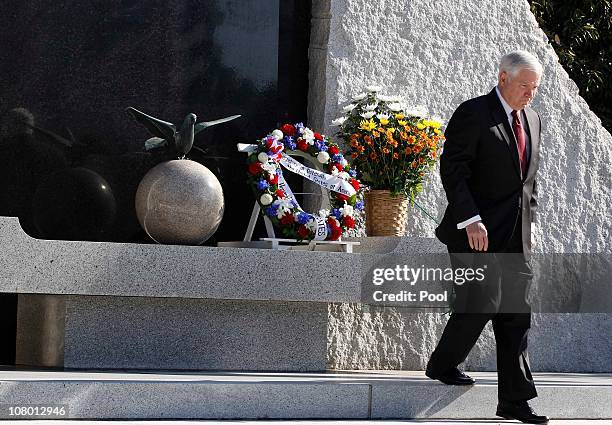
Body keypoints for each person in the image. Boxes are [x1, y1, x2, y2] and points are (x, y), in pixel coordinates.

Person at [425, 51, 549, 424]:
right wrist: (470, 218)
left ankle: (514, 400)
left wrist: (531, 221)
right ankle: (444, 362)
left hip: (516, 236)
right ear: (503, 78)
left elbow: (528, 180)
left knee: (515, 315)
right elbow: (454, 170)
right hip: (474, 232)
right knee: (481, 303)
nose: (530, 93)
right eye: (524, 85)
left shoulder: (534, 119)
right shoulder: (474, 113)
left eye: (536, 87)